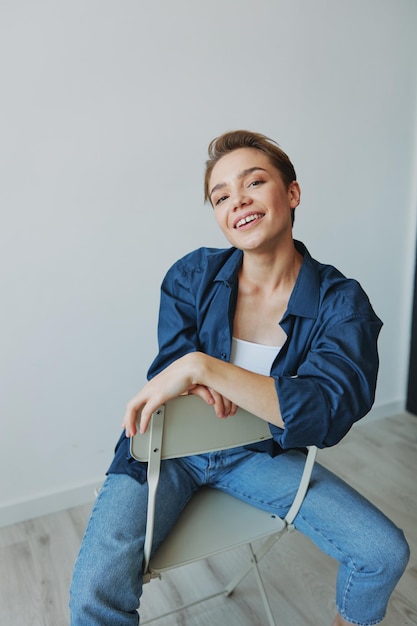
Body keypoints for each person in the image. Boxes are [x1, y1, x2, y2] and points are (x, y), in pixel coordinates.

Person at [70, 130, 410, 625]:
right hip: (168, 453)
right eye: (221, 195)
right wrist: (188, 372)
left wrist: (204, 367)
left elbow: (328, 410)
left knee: (383, 552)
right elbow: (172, 377)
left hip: (260, 453)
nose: (239, 201)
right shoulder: (192, 275)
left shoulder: (342, 302)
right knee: (93, 595)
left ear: (291, 194)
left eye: (254, 182)